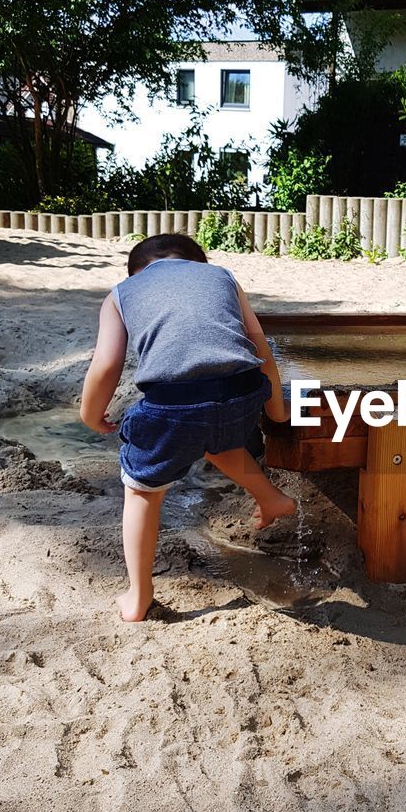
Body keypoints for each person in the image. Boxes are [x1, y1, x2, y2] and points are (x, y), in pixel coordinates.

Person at [80, 233, 295, 622]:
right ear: (199, 265)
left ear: (136, 273)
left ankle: (138, 595)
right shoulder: (224, 278)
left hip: (173, 402)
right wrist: (277, 412)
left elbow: (107, 365)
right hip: (243, 392)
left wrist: (90, 414)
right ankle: (271, 497)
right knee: (216, 438)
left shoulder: (122, 293)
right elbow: (261, 348)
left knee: (142, 490)